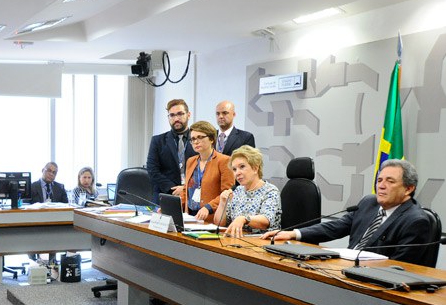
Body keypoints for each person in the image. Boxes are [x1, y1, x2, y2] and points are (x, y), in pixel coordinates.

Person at [263, 159, 431, 265]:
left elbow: (400, 266)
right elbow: (335, 227)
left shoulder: (416, 221)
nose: (381, 185)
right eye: (379, 180)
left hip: (373, 282)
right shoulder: (369, 203)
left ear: (408, 189)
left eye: (390, 181)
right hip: (345, 268)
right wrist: (293, 234)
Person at [213, 145, 281, 237]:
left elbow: (266, 221)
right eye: (234, 169)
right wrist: (222, 203)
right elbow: (219, 224)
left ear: (255, 168)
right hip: (238, 239)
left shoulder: (270, 191)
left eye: (242, 167)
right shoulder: (237, 190)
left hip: (262, 241)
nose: (237, 173)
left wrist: (245, 219)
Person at [182, 121, 234, 220]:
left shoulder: (224, 161)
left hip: (211, 216)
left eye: (200, 137)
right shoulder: (191, 161)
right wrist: (170, 207)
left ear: (211, 139)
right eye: (193, 139)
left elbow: (227, 193)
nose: (196, 142)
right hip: (190, 216)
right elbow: (186, 190)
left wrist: (208, 207)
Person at [147, 99, 197, 202]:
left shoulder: (198, 140)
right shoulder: (158, 141)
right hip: (165, 194)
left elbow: (205, 169)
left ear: (188, 115)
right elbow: (152, 170)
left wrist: (185, 188)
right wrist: (173, 189)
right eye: (172, 115)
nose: (176, 119)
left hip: (193, 194)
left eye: (180, 114)